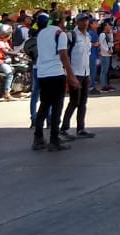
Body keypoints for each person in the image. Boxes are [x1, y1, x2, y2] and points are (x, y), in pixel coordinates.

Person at [33, 11, 79, 151]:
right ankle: (54, 139)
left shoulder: (41, 33)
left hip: (42, 74)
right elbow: (63, 55)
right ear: (62, 20)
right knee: (57, 107)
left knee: (44, 105)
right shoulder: (60, 34)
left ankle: (38, 138)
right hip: (56, 73)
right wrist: (71, 75)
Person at [61, 14, 94, 138]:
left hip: (84, 73)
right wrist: (69, 74)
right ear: (77, 22)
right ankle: (64, 128)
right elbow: (65, 55)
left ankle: (81, 128)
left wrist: (89, 74)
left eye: (86, 20)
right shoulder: (71, 36)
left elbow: (87, 56)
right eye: (82, 21)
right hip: (74, 73)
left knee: (83, 102)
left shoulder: (88, 36)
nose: (85, 23)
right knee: (74, 101)